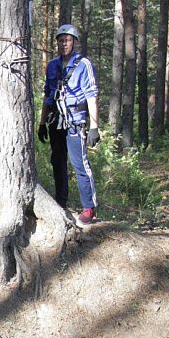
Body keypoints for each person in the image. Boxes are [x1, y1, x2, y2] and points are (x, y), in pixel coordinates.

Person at [37, 24, 100, 225]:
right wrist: (41, 122)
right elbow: (48, 95)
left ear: (74, 42)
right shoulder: (53, 65)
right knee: (58, 161)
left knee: (79, 164)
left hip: (75, 121)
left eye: (68, 40)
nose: (64, 44)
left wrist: (94, 126)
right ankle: (61, 201)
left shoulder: (83, 65)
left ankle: (89, 208)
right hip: (56, 121)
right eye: (61, 40)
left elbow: (92, 97)